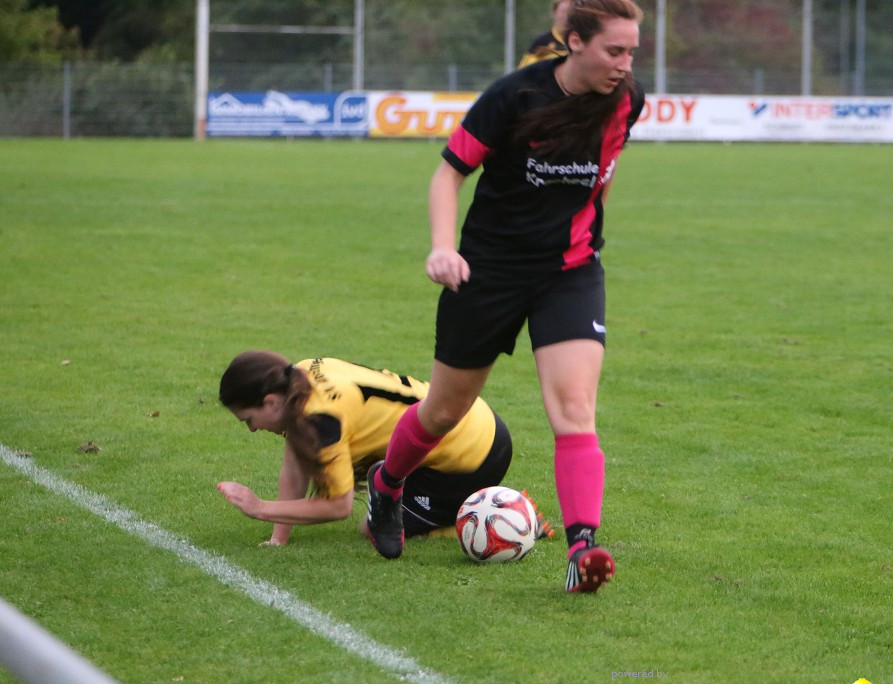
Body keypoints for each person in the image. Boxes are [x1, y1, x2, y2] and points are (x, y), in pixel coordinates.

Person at [365, 0, 645, 594]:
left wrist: (583, 237)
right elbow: (449, 173)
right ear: (573, 41)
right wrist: (444, 248)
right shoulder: (515, 96)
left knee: (575, 409)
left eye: (631, 52)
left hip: (569, 274)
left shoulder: (627, 101)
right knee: (444, 411)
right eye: (613, 51)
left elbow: (600, 181)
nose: (625, 64)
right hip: (487, 272)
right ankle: (387, 488)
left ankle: (581, 549)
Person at [216, 351, 527, 547]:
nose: (253, 429)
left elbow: (339, 506)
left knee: (373, 527)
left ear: (270, 402)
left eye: (249, 420)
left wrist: (260, 508)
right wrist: (278, 539)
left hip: (473, 452)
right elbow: (294, 466)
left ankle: (492, 512)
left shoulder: (321, 419)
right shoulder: (300, 376)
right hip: (471, 417)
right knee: (382, 502)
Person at [518, 0, 571, 67]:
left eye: (571, 12)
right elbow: (524, 73)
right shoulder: (541, 44)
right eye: (564, 12)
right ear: (554, 13)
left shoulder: (581, 44)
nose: (567, 17)